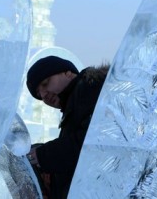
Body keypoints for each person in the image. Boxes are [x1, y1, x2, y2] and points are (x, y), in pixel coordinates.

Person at [25, 55, 108, 199]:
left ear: (68, 73)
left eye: (45, 83)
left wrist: (43, 155)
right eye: (39, 94)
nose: (44, 95)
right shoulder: (73, 106)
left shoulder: (90, 88)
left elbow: (95, 143)